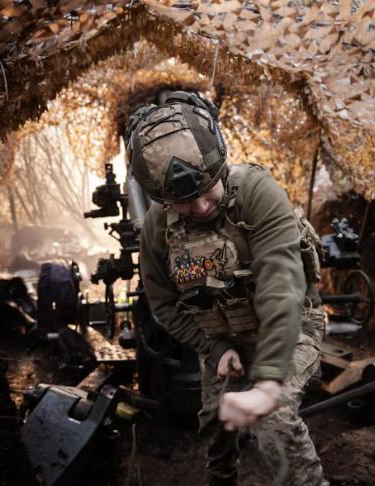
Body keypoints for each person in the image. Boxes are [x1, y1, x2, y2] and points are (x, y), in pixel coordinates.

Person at [125, 91, 328, 486]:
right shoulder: (157, 228)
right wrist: (214, 348)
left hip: (291, 327)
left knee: (273, 418)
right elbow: (163, 305)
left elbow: (281, 287)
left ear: (220, 167)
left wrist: (267, 382)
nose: (201, 207)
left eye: (207, 190)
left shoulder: (256, 194)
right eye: (185, 202)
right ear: (163, 200)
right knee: (215, 423)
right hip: (223, 338)